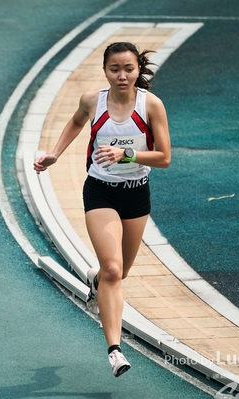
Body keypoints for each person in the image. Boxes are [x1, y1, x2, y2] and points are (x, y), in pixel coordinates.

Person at [33, 42, 171, 377]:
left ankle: (95, 284)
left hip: (136, 194)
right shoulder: (93, 101)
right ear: (105, 70)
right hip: (100, 193)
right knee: (112, 269)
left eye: (128, 69)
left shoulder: (151, 105)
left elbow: (165, 158)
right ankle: (114, 350)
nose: (122, 76)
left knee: (118, 274)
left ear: (138, 70)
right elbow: (76, 122)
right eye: (114, 69)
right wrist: (55, 153)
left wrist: (127, 155)